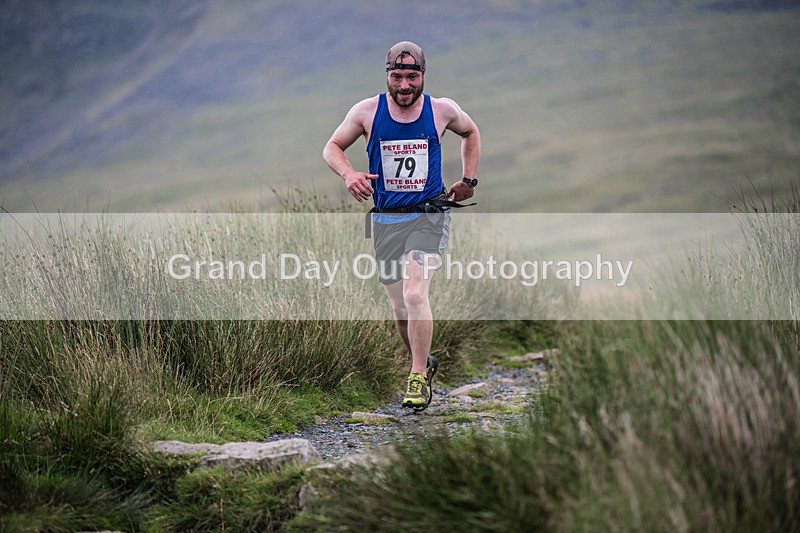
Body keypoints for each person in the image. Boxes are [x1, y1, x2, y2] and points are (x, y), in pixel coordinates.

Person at [322, 41, 480, 412]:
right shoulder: (366, 111)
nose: (405, 85)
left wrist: (468, 180)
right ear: (387, 75)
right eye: (397, 76)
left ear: (423, 75)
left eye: (412, 77)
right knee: (398, 307)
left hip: (428, 214)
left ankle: (416, 377)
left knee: (413, 294)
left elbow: (471, 132)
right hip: (386, 219)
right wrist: (348, 174)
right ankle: (423, 364)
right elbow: (331, 147)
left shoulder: (442, 110)